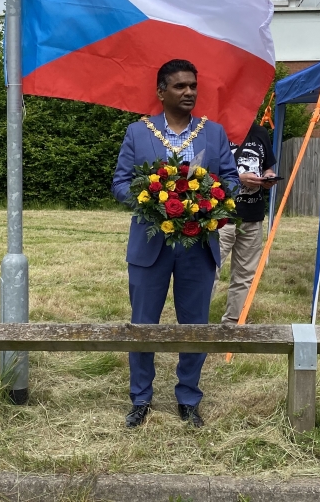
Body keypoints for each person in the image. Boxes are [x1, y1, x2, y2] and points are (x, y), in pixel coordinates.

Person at [111, 59, 240, 428]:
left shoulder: (213, 133)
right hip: (150, 247)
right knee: (143, 325)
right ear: (161, 91)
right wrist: (148, 199)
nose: (189, 93)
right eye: (180, 86)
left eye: (193, 87)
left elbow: (229, 179)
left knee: (195, 325)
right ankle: (141, 398)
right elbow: (120, 183)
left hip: (198, 246)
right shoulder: (138, 133)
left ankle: (188, 398)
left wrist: (212, 199)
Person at [215, 123, 278, 324]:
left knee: (245, 274)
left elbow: (267, 165)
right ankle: (195, 321)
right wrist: (239, 178)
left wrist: (268, 177)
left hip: (253, 215)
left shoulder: (260, 132)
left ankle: (234, 322)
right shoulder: (216, 130)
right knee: (209, 270)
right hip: (221, 216)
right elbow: (204, 173)